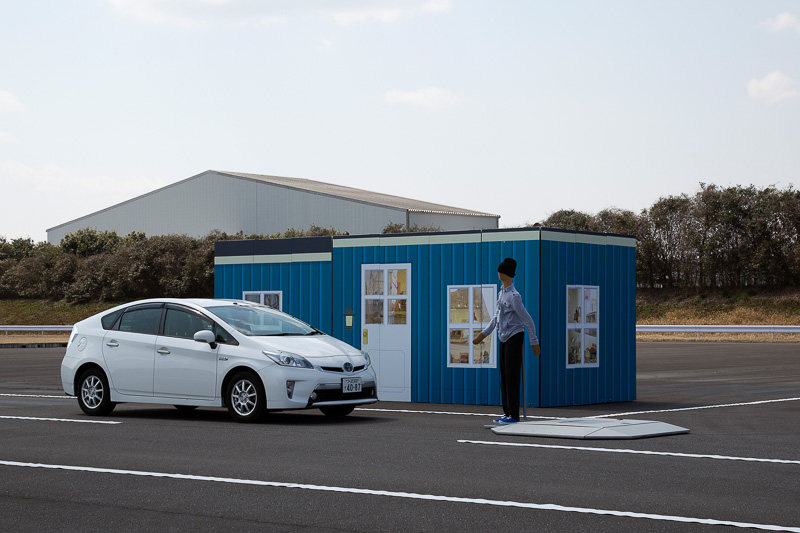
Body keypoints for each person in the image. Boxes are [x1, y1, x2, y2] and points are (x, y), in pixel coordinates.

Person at [472, 257, 541, 425]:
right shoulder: (501, 293)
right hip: (503, 336)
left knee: (512, 376)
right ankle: (507, 412)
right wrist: (484, 334)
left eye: (502, 271)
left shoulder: (514, 297)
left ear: (508, 275)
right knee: (504, 376)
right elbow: (496, 317)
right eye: (499, 271)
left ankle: (514, 415)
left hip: (514, 336)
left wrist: (534, 342)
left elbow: (528, 320)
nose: (499, 274)